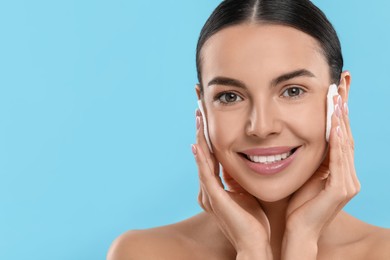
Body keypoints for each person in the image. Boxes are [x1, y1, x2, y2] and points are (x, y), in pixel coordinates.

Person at [107, 0, 390, 259]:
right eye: (230, 96)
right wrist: (250, 249)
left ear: (339, 95)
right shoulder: (142, 253)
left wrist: (302, 239)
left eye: (292, 91)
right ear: (203, 107)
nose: (261, 127)